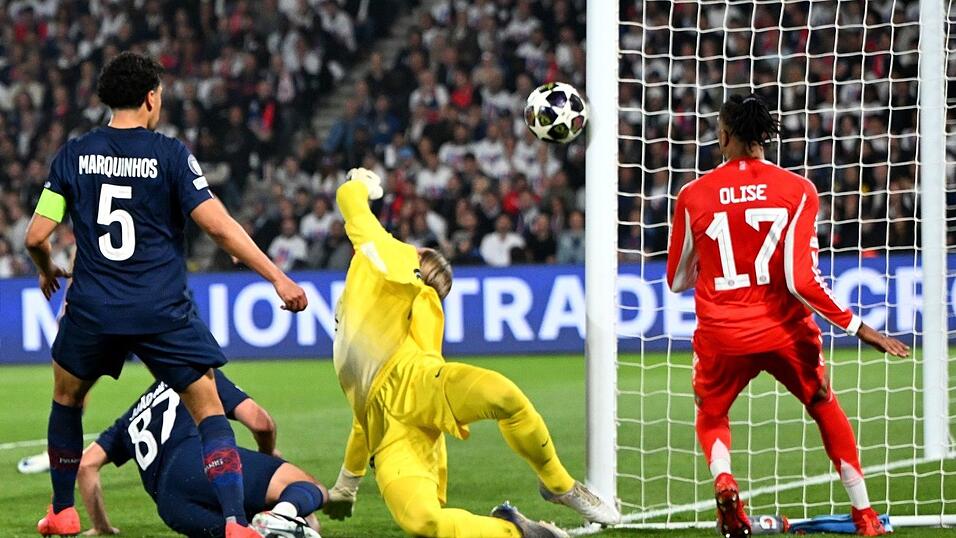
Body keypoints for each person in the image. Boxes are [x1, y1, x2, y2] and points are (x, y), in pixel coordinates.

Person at [24, 52, 307, 538]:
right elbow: (217, 226)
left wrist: (48, 268)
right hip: (161, 309)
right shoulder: (171, 155)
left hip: (94, 307)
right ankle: (236, 522)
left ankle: (63, 510)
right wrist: (276, 276)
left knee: (67, 402)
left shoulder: (72, 156)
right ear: (151, 98)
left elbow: (35, 236)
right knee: (208, 411)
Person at [321, 168, 620, 538]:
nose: (428, 289)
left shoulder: (415, 303)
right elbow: (350, 202)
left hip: (420, 383)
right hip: (389, 431)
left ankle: (559, 485)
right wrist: (362, 183)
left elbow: (350, 202)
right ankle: (518, 532)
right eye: (431, 283)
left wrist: (359, 185)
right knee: (423, 521)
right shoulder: (390, 254)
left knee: (504, 395)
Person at [665, 94, 910, 537]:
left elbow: (678, 280)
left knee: (711, 412)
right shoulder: (798, 190)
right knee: (823, 405)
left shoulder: (692, 195)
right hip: (785, 332)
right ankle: (865, 514)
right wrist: (860, 327)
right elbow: (801, 280)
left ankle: (725, 481)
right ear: (764, 136)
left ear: (723, 136)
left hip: (723, 334)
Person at [77, 370, 326, 538]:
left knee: (266, 528)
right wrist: (268, 452)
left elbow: (86, 465)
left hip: (171, 507)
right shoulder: (196, 373)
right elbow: (261, 422)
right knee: (307, 486)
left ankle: (279, 517)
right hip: (199, 465)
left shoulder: (129, 419)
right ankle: (284, 513)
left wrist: (101, 526)